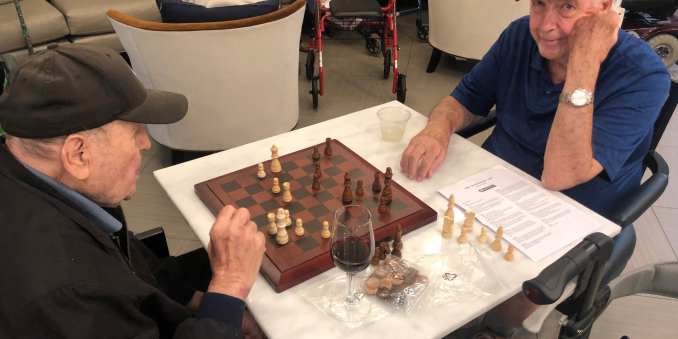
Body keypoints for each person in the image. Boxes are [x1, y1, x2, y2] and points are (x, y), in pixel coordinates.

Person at [400, 0, 669, 337]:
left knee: (472, 316)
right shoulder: (518, 36)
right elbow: (465, 98)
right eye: (539, 3)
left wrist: (584, 62)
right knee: (402, 262)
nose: (544, 24)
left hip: (569, 219)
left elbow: (560, 175)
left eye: (567, 7)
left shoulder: (643, 75)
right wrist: (436, 131)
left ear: (604, 9)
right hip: (489, 196)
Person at [0, 44, 266, 339]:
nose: (146, 144)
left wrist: (198, 301)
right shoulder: (66, 294)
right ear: (78, 154)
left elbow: (130, 273)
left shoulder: (45, 182)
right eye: (135, 131)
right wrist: (229, 287)